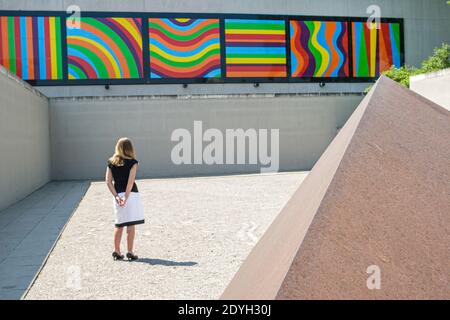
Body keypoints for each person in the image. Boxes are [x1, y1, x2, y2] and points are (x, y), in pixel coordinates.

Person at [106, 137, 144, 261]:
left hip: (118, 195)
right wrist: (126, 197)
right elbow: (130, 182)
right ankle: (130, 252)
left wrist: (117, 196)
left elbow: (108, 182)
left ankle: (117, 251)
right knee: (131, 224)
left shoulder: (111, 162)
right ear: (130, 148)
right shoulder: (133, 162)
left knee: (119, 224)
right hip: (131, 195)